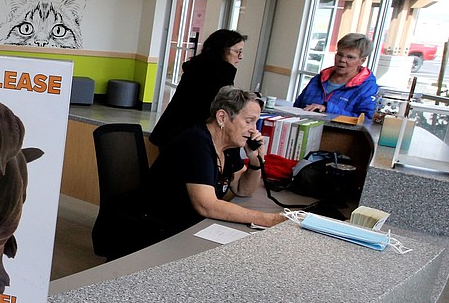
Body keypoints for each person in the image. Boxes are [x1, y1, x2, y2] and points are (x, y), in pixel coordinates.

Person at [143, 86, 286, 240]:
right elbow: (206, 206)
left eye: (256, 123)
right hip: (158, 228)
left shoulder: (229, 145)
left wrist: (255, 161)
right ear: (222, 118)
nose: (254, 130)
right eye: (249, 121)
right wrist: (268, 220)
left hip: (188, 226)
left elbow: (243, 189)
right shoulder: (196, 143)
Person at [149, 29, 247, 149]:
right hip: (186, 137)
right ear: (222, 50)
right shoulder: (218, 73)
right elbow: (222, 105)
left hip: (172, 132)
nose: (241, 57)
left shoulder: (199, 65)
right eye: (238, 51)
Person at [293, 32, 380, 120]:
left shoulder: (368, 88)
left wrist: (328, 109)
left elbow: (365, 120)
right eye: (339, 54)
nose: (342, 60)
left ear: (362, 60)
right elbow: (296, 108)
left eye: (350, 57)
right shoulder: (318, 79)